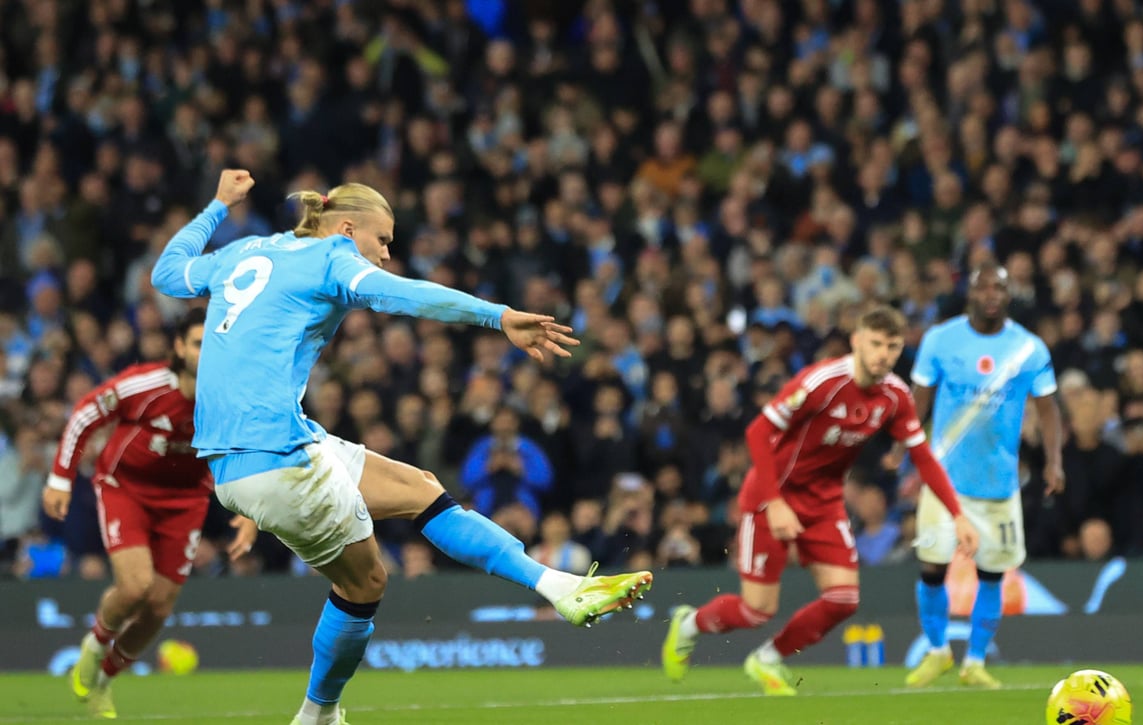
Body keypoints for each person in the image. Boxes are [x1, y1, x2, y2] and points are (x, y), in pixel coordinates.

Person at [150, 170, 651, 725]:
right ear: (345, 228)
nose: (385, 254)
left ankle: (560, 587)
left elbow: (168, 272)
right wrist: (498, 316)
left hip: (245, 455)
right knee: (365, 582)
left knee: (422, 490)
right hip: (276, 453)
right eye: (383, 239)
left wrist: (218, 205)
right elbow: (407, 296)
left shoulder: (244, 252)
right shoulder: (333, 257)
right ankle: (318, 714)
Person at [661, 306, 978, 695]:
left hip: (824, 502)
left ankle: (768, 659)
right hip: (770, 495)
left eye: (893, 347)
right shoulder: (822, 382)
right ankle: (689, 623)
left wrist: (958, 515)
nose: (884, 354)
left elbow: (924, 457)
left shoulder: (895, 396)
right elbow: (758, 432)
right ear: (857, 341)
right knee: (756, 610)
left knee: (844, 599)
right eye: (876, 344)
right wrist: (775, 503)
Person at [41, 307, 259, 718]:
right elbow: (87, 411)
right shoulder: (147, 384)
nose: (205, 350)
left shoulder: (231, 396)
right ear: (178, 347)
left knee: (159, 607)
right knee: (136, 586)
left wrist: (251, 513)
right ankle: (94, 643)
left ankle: (105, 679)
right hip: (127, 490)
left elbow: (249, 449)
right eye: (197, 342)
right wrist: (60, 478)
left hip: (186, 501)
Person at [905, 261, 1064, 690]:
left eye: (1000, 287)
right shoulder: (940, 340)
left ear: (1009, 295)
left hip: (997, 485)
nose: (991, 293)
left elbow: (1048, 409)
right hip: (944, 482)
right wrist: (903, 452)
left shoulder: (1029, 349)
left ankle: (974, 661)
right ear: (969, 293)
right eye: (983, 287)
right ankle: (938, 651)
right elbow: (917, 401)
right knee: (932, 568)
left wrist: (1054, 460)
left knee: (992, 574)